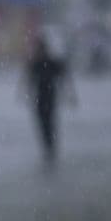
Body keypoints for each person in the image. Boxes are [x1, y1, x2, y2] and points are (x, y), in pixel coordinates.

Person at [26, 32, 76, 164]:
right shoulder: (36, 63)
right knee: (43, 125)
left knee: (49, 124)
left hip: (49, 98)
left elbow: (65, 76)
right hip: (41, 98)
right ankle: (48, 149)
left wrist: (71, 94)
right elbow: (28, 80)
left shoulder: (51, 62)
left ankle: (50, 149)